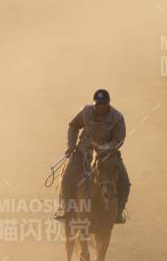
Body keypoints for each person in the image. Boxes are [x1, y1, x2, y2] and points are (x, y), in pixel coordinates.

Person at [55, 88, 130, 224]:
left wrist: (105, 148)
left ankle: (118, 212)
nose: (100, 107)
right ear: (95, 103)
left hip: (107, 155)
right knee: (67, 178)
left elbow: (119, 139)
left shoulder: (117, 118)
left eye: (103, 104)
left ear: (108, 104)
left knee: (124, 181)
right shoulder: (86, 112)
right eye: (98, 104)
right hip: (83, 152)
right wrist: (71, 145)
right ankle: (67, 211)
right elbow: (73, 126)